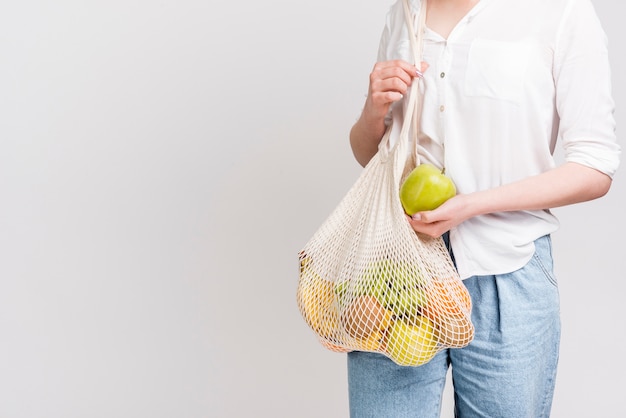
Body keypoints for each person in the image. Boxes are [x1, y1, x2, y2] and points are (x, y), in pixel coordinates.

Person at [347, 0, 620, 416]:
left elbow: (594, 166)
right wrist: (373, 109)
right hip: (398, 271)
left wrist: (472, 205)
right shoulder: (404, 12)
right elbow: (373, 156)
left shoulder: (561, 11)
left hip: (506, 273)